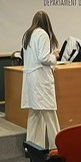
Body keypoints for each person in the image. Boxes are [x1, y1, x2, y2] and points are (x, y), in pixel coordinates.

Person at [20, 11, 60, 149]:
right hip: (41, 80)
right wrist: (54, 56)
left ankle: (32, 146)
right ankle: (57, 147)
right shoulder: (43, 34)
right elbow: (43, 58)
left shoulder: (28, 35)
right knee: (50, 114)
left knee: (34, 114)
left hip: (31, 79)